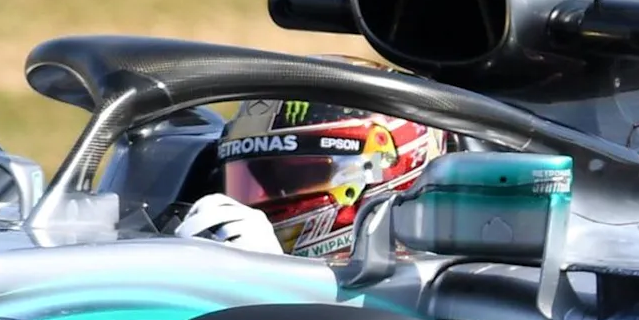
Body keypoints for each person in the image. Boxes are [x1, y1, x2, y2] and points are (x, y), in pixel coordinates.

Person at [170, 98, 450, 260]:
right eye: (251, 180)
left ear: (381, 168)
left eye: (299, 175)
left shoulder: (431, 291)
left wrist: (270, 282)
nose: (261, 200)